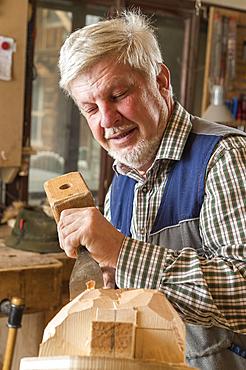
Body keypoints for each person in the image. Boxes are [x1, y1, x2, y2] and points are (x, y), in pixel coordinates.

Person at [57, 11, 246, 370]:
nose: (107, 120)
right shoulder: (123, 180)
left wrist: (122, 252)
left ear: (160, 80)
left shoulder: (226, 157)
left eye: (118, 94)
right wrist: (110, 278)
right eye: (90, 108)